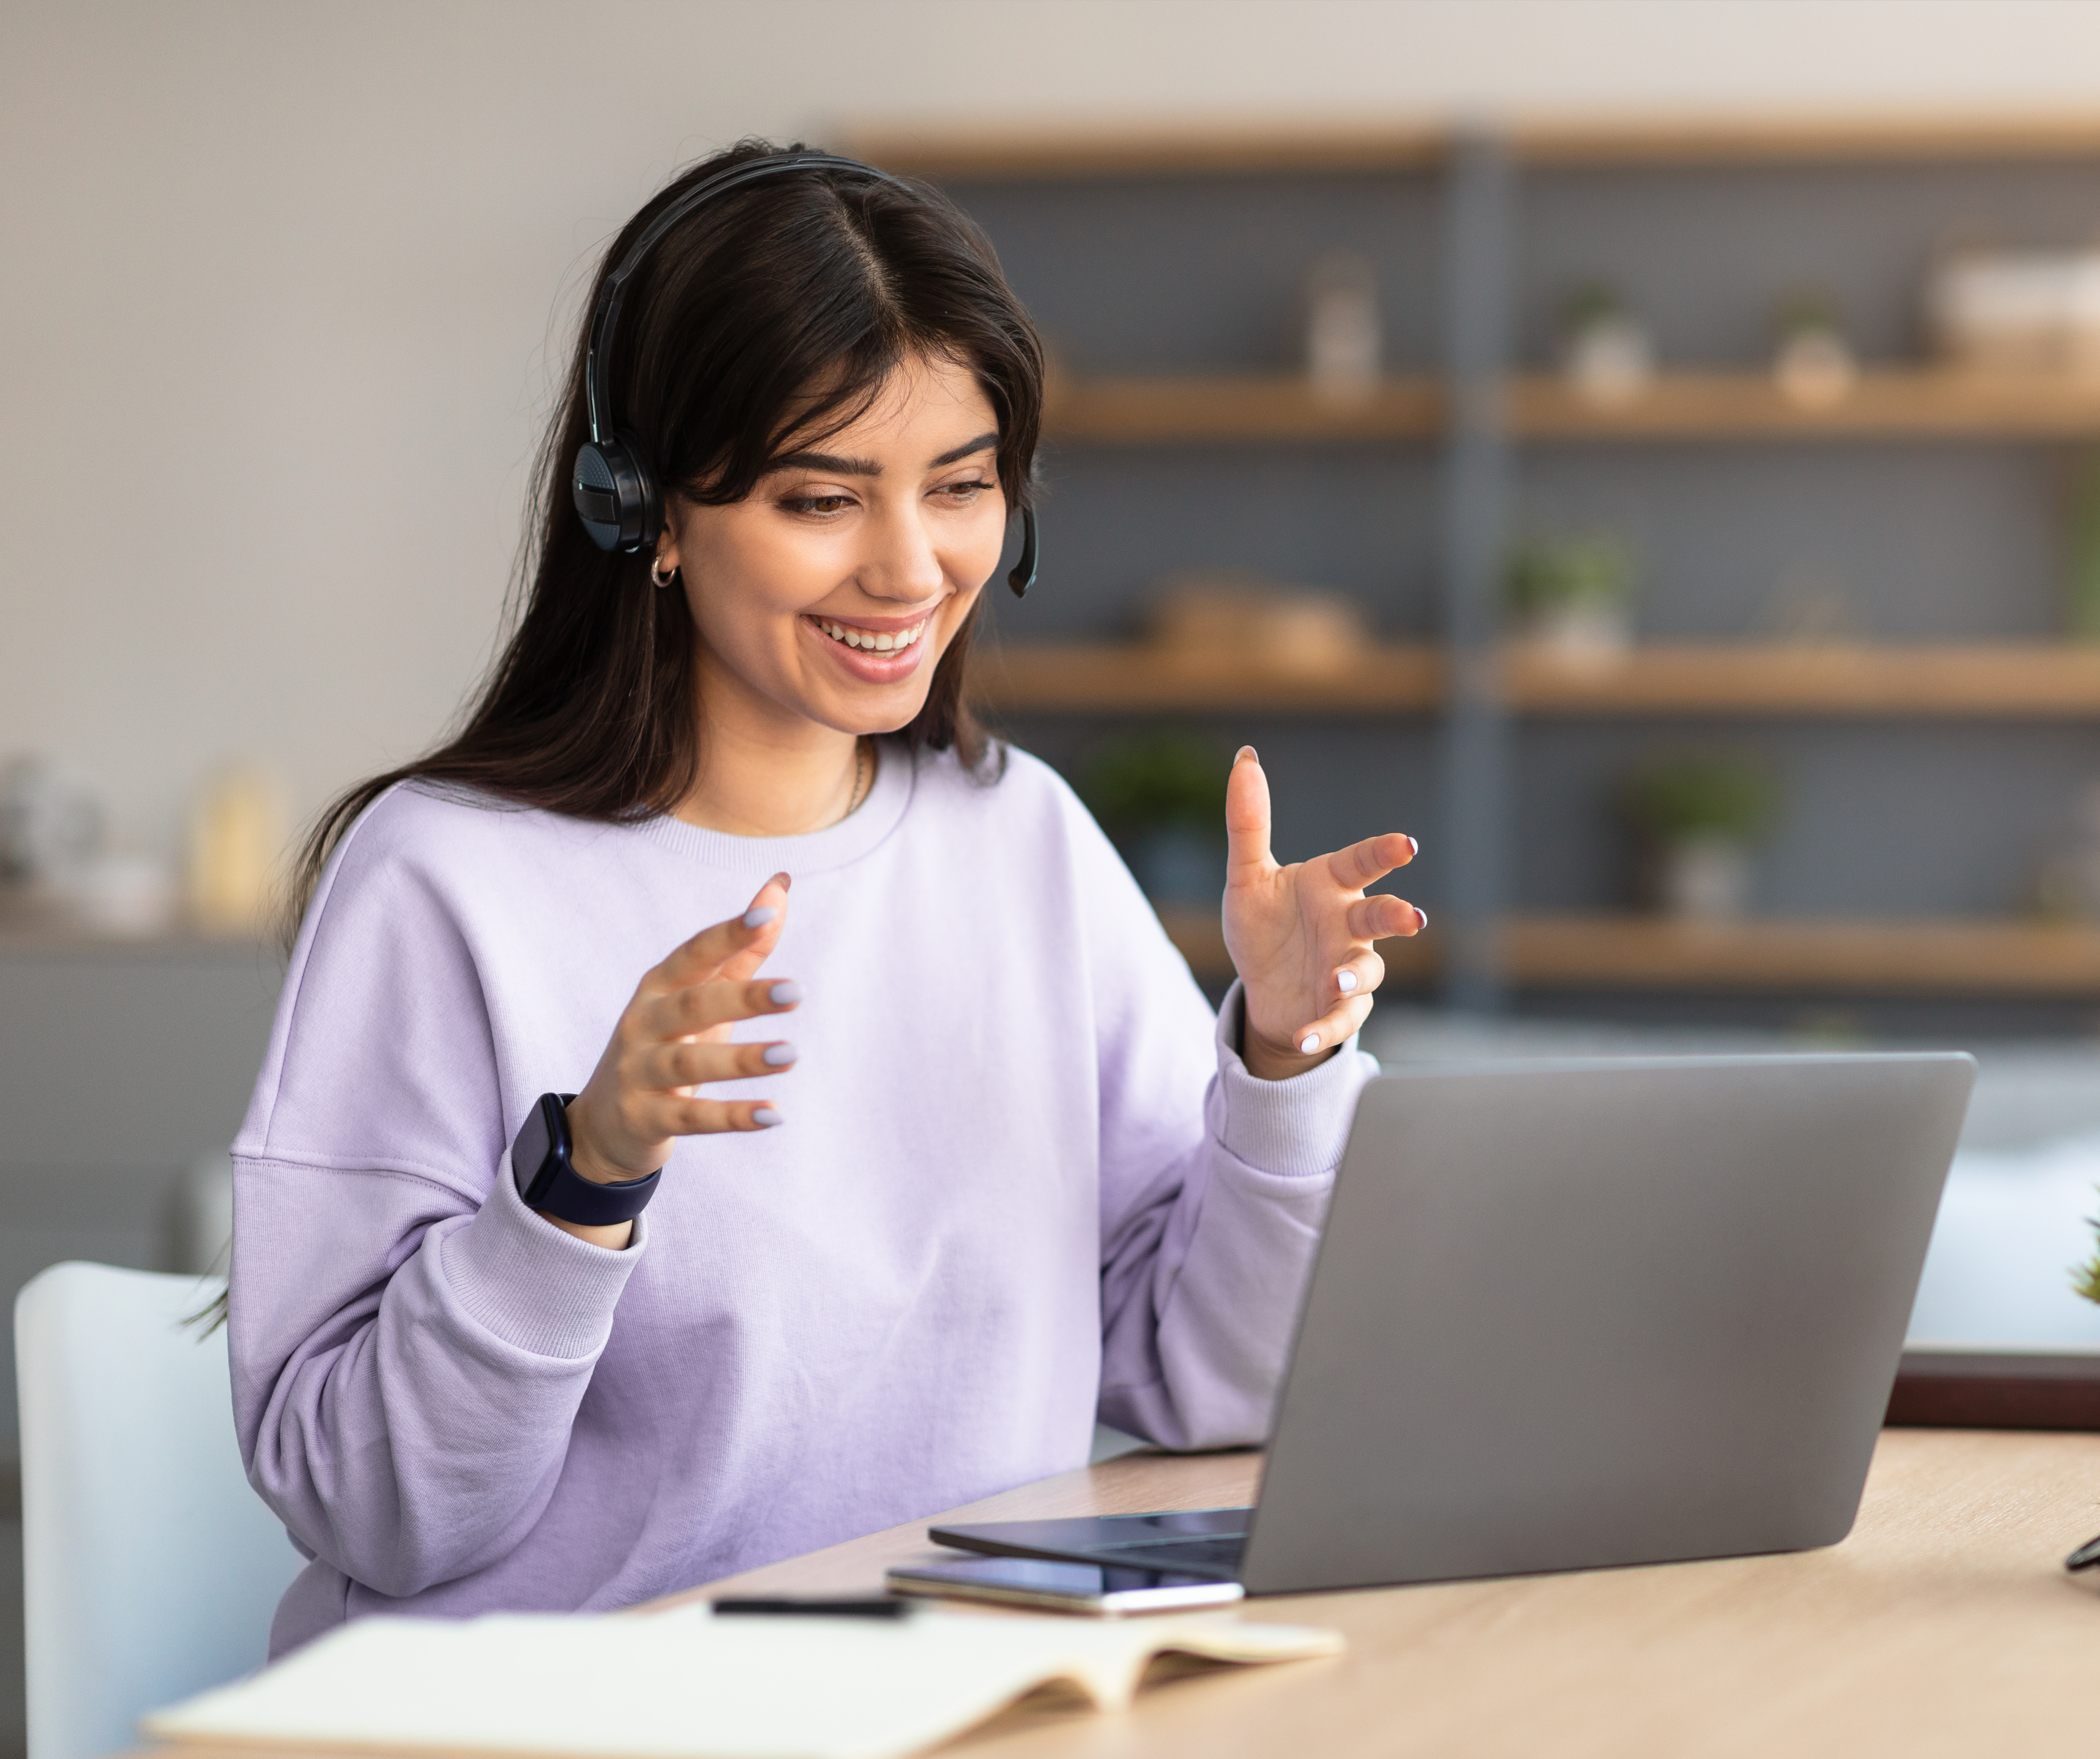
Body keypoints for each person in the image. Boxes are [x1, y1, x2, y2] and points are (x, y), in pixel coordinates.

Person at [227, 141, 1423, 1655]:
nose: (911, 568)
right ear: (641, 509)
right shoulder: (443, 878)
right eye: (821, 499)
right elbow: (370, 1513)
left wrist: (1281, 1065)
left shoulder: (1024, 842)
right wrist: (584, 1179)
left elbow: (1210, 1387)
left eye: (964, 487)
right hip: (556, 1720)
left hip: (958, 1696)